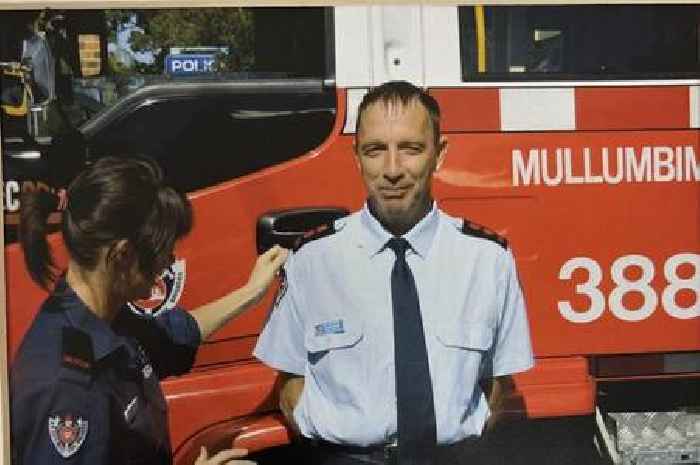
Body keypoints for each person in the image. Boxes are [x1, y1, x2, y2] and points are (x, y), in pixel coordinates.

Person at [253, 81, 534, 465]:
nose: (392, 170)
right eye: (375, 150)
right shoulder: (312, 261)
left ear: (439, 154)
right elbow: (289, 379)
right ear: (356, 157)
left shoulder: (487, 260)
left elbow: (500, 381)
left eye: (410, 149)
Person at [11, 156, 289, 465]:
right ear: (123, 255)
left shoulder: (105, 319)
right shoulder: (68, 390)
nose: (169, 262)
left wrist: (250, 293)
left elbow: (172, 336)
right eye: (163, 251)